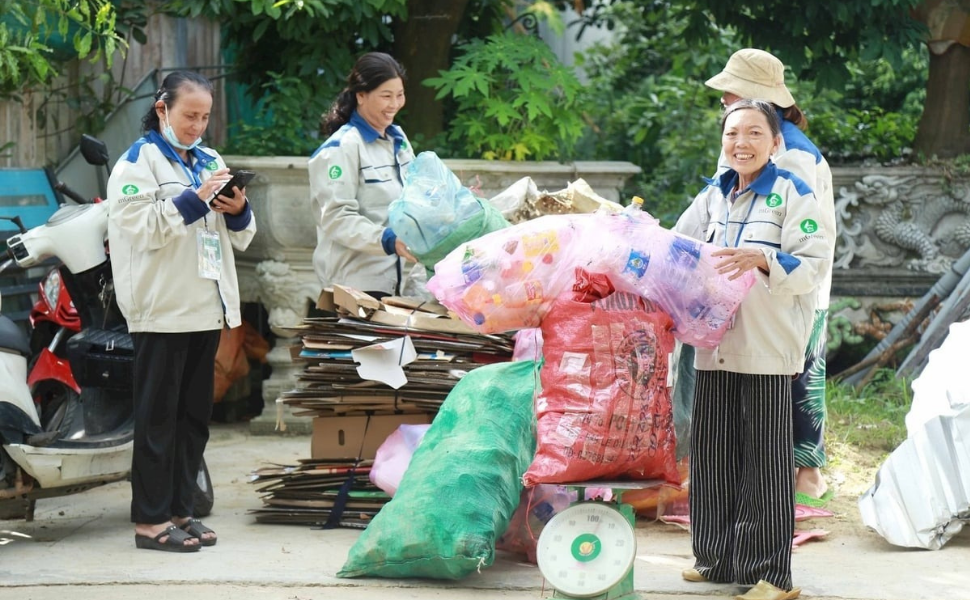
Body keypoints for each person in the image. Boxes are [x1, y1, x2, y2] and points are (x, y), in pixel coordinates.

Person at [674, 99, 831, 600]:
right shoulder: (713, 196)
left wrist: (761, 259)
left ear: (775, 141)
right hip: (715, 341)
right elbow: (677, 245)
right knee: (713, 453)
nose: (740, 143)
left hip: (767, 344)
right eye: (732, 134)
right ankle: (716, 559)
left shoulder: (793, 192)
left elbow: (812, 264)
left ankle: (772, 577)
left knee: (764, 461)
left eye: (754, 133)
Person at [677, 48, 837, 502]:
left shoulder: (793, 157)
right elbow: (711, 202)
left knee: (792, 376)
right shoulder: (749, 135)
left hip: (782, 281)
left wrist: (767, 263)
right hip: (741, 285)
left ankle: (795, 478)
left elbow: (807, 240)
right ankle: (762, 482)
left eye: (730, 91)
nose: (724, 98)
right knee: (785, 375)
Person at [107, 70, 256, 552]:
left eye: (205, 116)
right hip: (162, 308)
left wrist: (237, 208)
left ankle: (180, 510)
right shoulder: (138, 162)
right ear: (162, 109)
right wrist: (195, 198)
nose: (197, 125)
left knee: (192, 418)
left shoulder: (210, 159)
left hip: (206, 307)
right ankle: (149, 523)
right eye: (189, 115)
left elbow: (239, 233)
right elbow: (138, 228)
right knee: (157, 419)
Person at [309, 52, 417, 300]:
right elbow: (336, 216)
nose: (394, 104)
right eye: (386, 96)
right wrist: (388, 240)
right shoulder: (340, 148)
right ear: (361, 96)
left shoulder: (397, 140)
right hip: (354, 286)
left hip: (392, 283)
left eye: (399, 95)